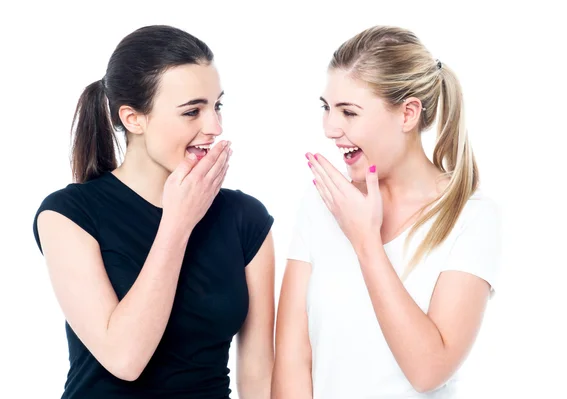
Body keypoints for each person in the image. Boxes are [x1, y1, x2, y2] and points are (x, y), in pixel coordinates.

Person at [33, 25, 275, 399]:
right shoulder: (67, 215)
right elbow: (125, 358)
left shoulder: (246, 218)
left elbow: (258, 372)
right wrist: (177, 222)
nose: (215, 127)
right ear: (133, 119)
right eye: (192, 111)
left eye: (217, 106)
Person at [272, 25, 502, 398]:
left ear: (408, 113)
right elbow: (293, 360)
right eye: (327, 108)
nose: (331, 128)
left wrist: (366, 243)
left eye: (349, 112)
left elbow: (428, 371)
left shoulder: (472, 218)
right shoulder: (320, 203)